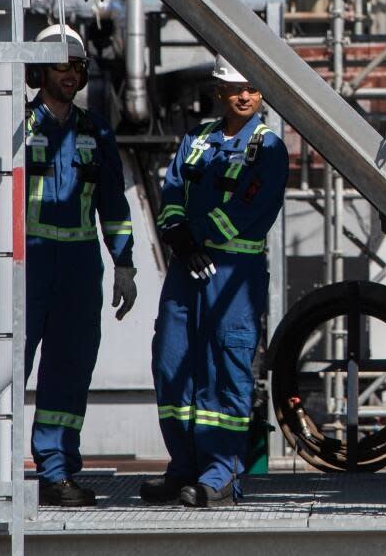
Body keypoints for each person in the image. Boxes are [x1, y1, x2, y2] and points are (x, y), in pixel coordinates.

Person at [0, 24, 137, 508]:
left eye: (79, 66)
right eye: (62, 65)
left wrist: (124, 265)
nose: (72, 74)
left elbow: (114, 204)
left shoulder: (95, 129)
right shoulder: (15, 123)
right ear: (39, 69)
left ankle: (56, 473)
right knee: (2, 367)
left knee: (69, 371)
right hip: (27, 266)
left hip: (81, 271)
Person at [141, 55, 288, 508]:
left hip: (234, 277)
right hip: (187, 271)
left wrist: (199, 237)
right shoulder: (197, 139)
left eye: (252, 88)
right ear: (219, 91)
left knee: (226, 370)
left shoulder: (268, 146)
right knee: (172, 364)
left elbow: (254, 205)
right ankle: (183, 468)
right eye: (235, 87)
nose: (244, 95)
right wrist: (180, 238)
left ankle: (220, 476)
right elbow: (172, 192)